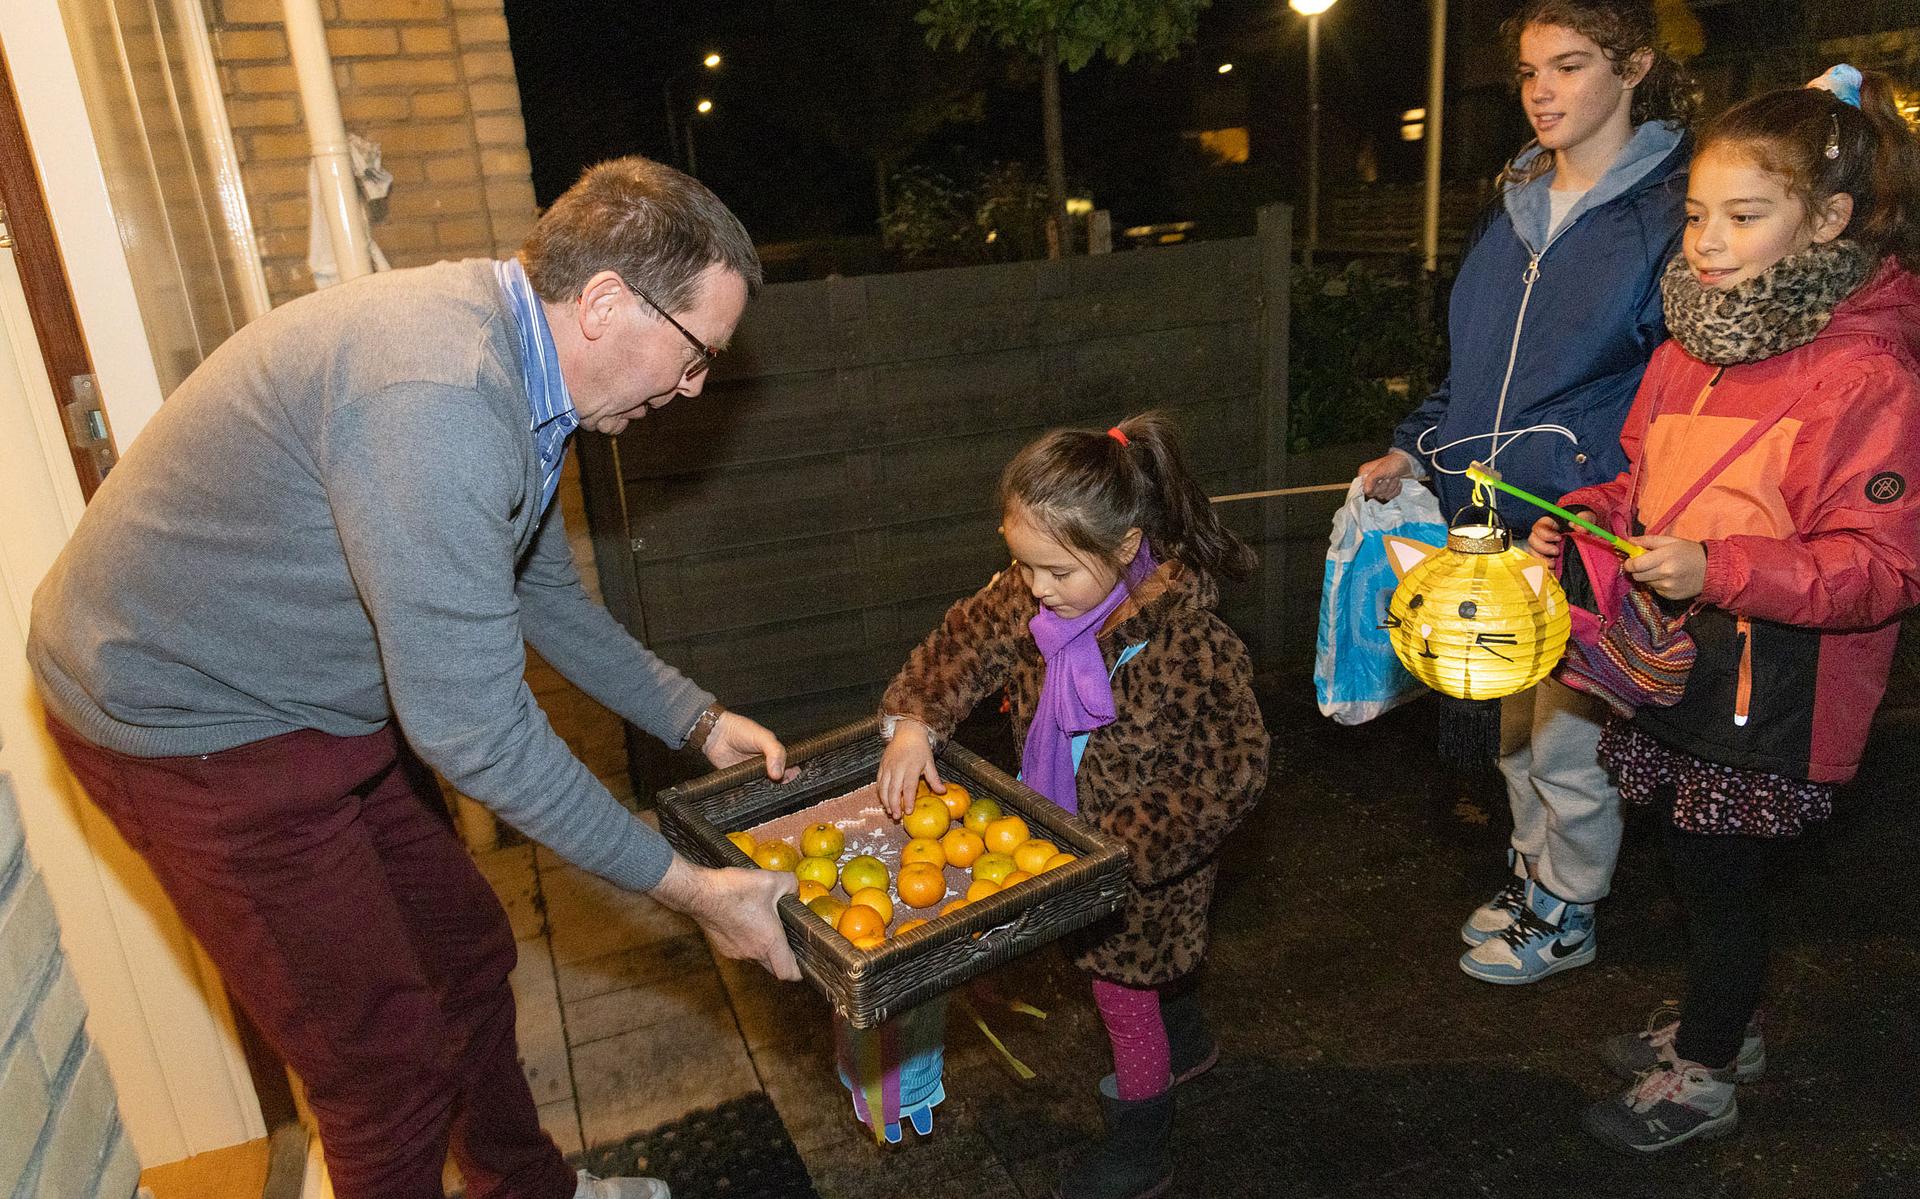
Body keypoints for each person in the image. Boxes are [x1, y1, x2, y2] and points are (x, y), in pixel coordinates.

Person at [28, 157, 802, 1199]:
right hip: (191, 723)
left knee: (464, 955)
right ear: (608, 302)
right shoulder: (437, 395)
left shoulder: (529, 381)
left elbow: (542, 593)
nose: (697, 384)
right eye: (698, 349)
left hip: (318, 698)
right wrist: (695, 890)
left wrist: (695, 719)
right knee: (381, 1066)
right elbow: (476, 729)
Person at [1531, 65, 1920, 1152]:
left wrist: (1722, 571)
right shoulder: (1691, 341)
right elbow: (1647, 483)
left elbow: (1884, 567)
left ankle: (1705, 1071)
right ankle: (1723, 1021)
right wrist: (1587, 512)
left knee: (1725, 881)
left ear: (1827, 219)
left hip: (1773, 689)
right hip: (1674, 662)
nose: (1707, 239)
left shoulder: (1867, 374)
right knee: (1699, 874)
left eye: (1743, 216)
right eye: (1698, 213)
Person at [1354, 0, 1695, 984]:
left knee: (1568, 732)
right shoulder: (1511, 201)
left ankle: (1570, 908)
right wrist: (1417, 446)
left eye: (1571, 65)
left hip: (1580, 521)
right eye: (1530, 71)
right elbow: (1474, 370)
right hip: (1485, 516)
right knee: (1513, 711)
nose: (1542, 90)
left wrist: (1624, 504)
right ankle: (1530, 868)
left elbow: (1680, 390)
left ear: (1633, 66)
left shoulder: (1671, 218)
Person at [874, 412, 1270, 1199]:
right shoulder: (1030, 600)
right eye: (1021, 564)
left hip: (1140, 873)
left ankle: (1142, 1139)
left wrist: (1113, 853)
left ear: (1127, 548)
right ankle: (1184, 1036)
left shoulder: (1189, 646)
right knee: (1155, 987)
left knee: (1124, 993)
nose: (1033, 588)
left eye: (1054, 570)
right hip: (1062, 840)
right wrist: (913, 722)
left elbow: (1231, 772)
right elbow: (959, 643)